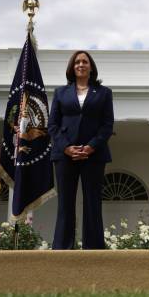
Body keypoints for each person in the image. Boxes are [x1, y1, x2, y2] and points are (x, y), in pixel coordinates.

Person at [48, 51, 114, 249]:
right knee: (65, 203)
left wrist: (91, 147)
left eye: (85, 61)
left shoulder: (104, 93)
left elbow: (107, 125)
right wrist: (67, 148)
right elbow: (53, 125)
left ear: (91, 67)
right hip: (65, 155)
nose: (81, 64)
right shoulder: (60, 93)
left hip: (93, 155)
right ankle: (62, 247)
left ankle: (93, 248)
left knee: (93, 202)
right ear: (72, 67)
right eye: (77, 62)